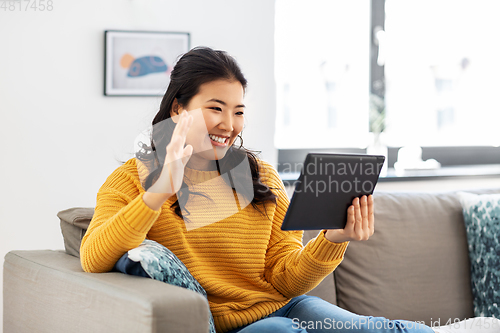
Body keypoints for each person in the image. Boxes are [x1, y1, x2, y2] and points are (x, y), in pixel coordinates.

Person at [80, 47, 498, 333]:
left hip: (283, 305)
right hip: (235, 324)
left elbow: (285, 279)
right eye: (215, 108)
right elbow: (94, 256)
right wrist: (160, 190)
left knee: (377, 328)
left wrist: (332, 240)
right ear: (178, 109)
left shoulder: (258, 176)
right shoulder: (135, 178)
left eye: (239, 111)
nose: (229, 124)